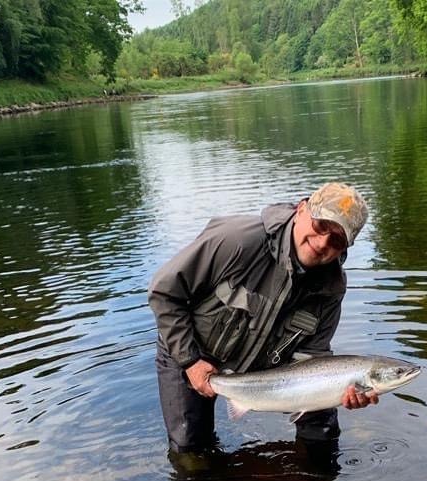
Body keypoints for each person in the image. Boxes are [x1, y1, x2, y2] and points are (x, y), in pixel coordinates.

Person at [148, 181, 377, 454]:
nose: (322, 242)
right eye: (320, 226)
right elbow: (164, 292)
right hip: (189, 349)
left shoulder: (332, 288)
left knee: (322, 430)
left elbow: (311, 355)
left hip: (263, 370)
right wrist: (190, 360)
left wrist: (339, 393)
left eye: (337, 240)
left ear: (345, 247)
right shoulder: (236, 240)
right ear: (301, 210)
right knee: (190, 448)